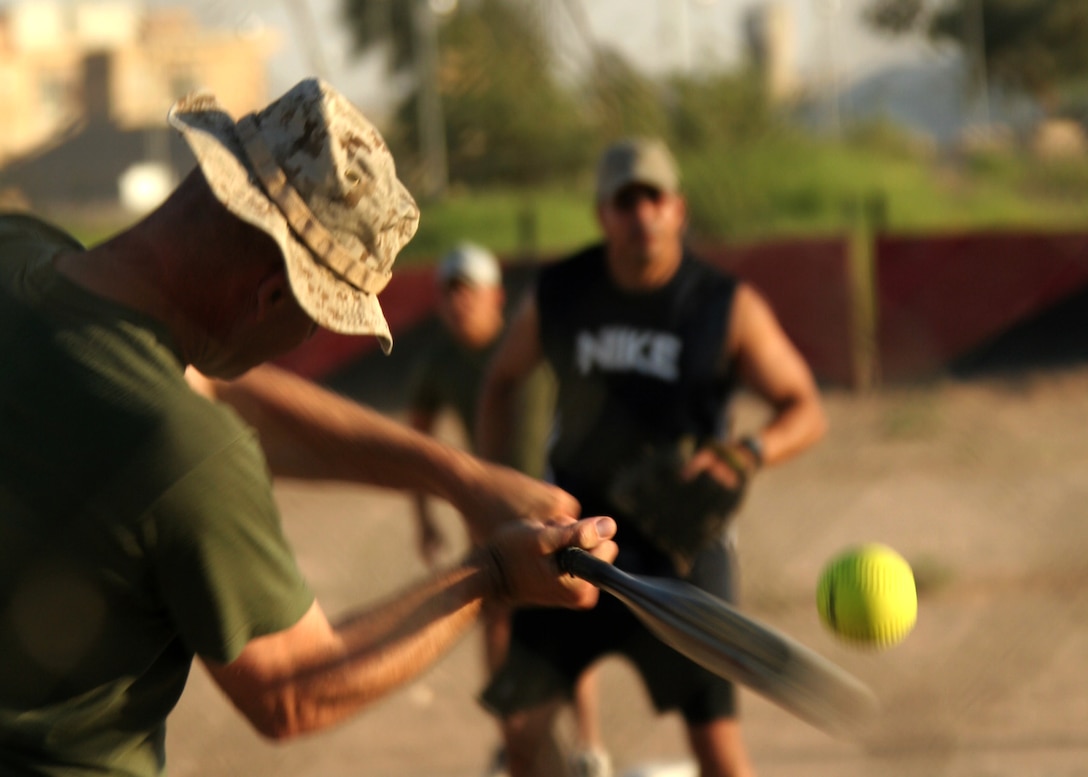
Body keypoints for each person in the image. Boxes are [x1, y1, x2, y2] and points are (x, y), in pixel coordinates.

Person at [0, 77, 618, 777]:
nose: (300, 342)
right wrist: (495, 573)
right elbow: (294, 690)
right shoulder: (188, 454)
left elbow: (216, 400)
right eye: (318, 316)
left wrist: (461, 478)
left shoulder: (18, 249)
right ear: (270, 295)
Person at [476, 138, 828, 777]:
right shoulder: (562, 291)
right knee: (523, 733)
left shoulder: (723, 305)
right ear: (602, 214)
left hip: (682, 548)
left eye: (654, 198)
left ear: (679, 210)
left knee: (718, 748)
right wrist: (495, 487)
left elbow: (805, 406)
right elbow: (501, 381)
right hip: (580, 537)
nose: (642, 214)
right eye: (625, 201)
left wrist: (749, 451)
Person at [407, 242, 610, 777]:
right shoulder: (440, 360)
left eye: (469, 291)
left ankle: (588, 742)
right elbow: (418, 439)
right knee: (493, 619)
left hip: (552, 498)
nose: (459, 303)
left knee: (566, 615)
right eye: (449, 293)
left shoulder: (527, 342)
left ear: (497, 295)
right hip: (490, 512)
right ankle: (514, 736)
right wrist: (424, 517)